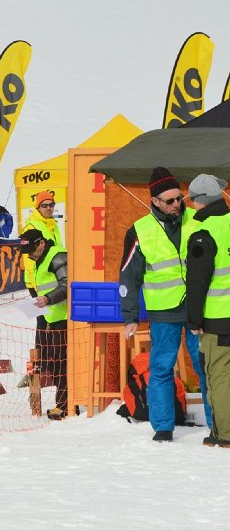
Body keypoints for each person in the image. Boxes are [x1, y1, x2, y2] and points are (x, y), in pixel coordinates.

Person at [119, 167, 209, 442]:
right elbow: (129, 276)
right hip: (163, 313)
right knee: (160, 367)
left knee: (205, 366)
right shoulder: (139, 231)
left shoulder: (199, 220)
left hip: (199, 309)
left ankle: (218, 423)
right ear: (155, 201)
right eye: (169, 201)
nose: (177, 204)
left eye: (180, 198)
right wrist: (130, 316)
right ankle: (163, 427)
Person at [184, 174, 227, 446]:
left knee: (219, 376)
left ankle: (225, 434)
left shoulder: (204, 234)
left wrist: (194, 320)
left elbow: (197, 282)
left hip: (218, 318)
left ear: (200, 200)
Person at [19, 228, 68, 420]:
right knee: (52, 364)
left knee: (63, 365)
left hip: (63, 319)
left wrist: (48, 298)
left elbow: (67, 283)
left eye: (32, 250)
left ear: (41, 243)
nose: (29, 255)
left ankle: (65, 406)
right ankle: (62, 404)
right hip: (49, 319)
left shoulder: (57, 255)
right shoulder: (40, 260)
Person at [20, 191, 62, 291]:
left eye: (51, 205)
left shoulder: (54, 226)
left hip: (52, 279)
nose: (48, 208)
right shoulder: (31, 226)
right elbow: (28, 259)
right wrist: (36, 287)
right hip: (39, 283)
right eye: (44, 205)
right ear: (38, 207)